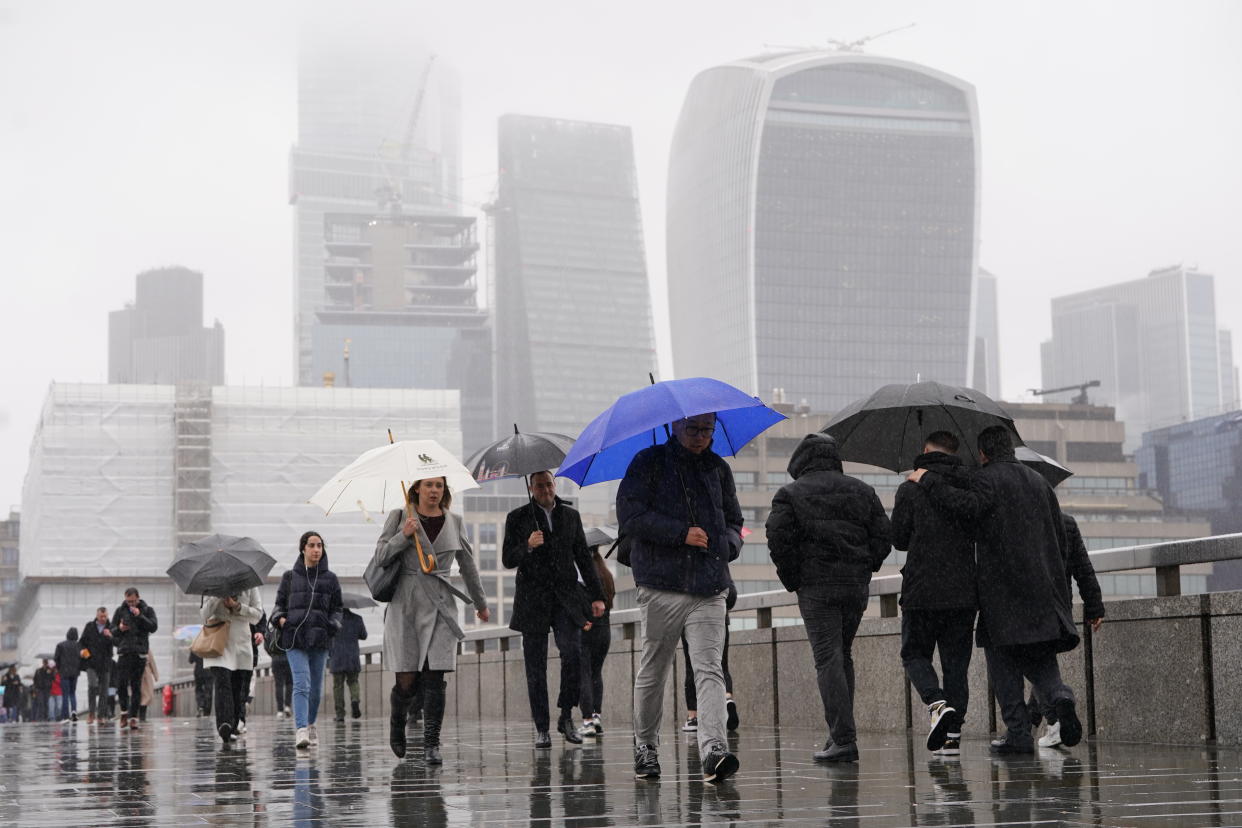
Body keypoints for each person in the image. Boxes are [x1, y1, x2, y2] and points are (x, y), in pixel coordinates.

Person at [908, 425, 1082, 755]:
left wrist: (927, 479)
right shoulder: (1039, 483)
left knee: (1003, 662)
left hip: (1003, 588)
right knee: (1041, 659)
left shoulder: (986, 479)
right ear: (1010, 450)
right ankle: (1061, 697)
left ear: (984, 454)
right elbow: (1059, 537)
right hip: (1044, 588)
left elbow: (966, 507)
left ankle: (1017, 733)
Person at [618, 412, 743, 784]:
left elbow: (735, 521)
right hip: (660, 584)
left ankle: (714, 749)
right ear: (674, 426)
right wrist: (680, 533)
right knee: (654, 669)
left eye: (707, 429)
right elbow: (631, 517)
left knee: (709, 669)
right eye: (693, 429)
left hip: (709, 584)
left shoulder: (719, 469)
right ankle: (646, 747)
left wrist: (729, 545)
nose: (701, 437)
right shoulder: (648, 463)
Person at [767, 433, 892, 763]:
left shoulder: (790, 494)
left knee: (828, 658)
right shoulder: (862, 490)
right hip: (854, 585)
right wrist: (865, 566)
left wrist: (795, 579)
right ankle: (840, 733)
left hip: (817, 586)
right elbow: (883, 536)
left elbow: (778, 539)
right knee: (842, 655)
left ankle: (843, 738)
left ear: (800, 461)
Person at [374, 476, 490, 763]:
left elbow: (468, 565)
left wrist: (480, 602)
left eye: (439, 485)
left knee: (435, 676)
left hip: (441, 604)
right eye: (429, 485)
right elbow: (380, 557)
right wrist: (403, 535)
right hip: (406, 605)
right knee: (407, 681)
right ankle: (397, 721)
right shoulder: (401, 516)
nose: (435, 491)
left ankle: (432, 743)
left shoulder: (455, 521)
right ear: (416, 489)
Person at [890, 431, 978, 756]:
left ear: (925, 450)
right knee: (956, 664)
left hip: (922, 589)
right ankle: (953, 737)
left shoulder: (910, 487)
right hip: (962, 591)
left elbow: (898, 539)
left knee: (914, 654)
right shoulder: (970, 484)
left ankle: (936, 703)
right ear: (955, 452)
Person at [503, 471, 606, 747]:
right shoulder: (517, 518)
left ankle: (565, 715)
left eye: (549, 484)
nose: (546, 489)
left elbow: (583, 557)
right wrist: (527, 545)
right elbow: (507, 559)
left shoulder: (570, 516)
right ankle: (542, 728)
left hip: (564, 598)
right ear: (531, 487)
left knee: (573, 654)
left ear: (554, 485)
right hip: (532, 600)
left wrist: (597, 596)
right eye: (539, 485)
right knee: (535, 668)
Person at [1029, 513, 1105, 748]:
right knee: (1043, 661)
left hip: (1025, 606)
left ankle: (1053, 718)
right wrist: (1094, 606)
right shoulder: (1066, 522)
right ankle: (1040, 720)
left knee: (1034, 663)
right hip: (1060, 608)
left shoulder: (1020, 519)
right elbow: (1083, 567)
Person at [273, 530, 343, 752]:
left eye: (320, 546)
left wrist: (333, 624)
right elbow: (278, 605)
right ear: (303, 548)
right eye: (312, 545)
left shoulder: (330, 579)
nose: (316, 550)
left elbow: (338, 609)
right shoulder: (289, 577)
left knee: (316, 689)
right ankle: (301, 729)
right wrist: (280, 619)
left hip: (320, 639)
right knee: (301, 684)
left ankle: (311, 724)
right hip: (295, 638)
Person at [201, 586, 264, 744]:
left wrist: (236, 606)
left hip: (241, 643)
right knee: (222, 683)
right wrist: (218, 597)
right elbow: (204, 614)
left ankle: (234, 723)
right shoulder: (212, 585)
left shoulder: (250, 586)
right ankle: (224, 724)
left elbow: (258, 615)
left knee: (238, 687)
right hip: (218, 642)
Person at [680, 581, 740, 734]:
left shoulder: (687, 564)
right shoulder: (717, 561)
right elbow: (731, 594)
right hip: (719, 620)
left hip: (691, 620)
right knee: (720, 665)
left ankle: (693, 716)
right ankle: (727, 697)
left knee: (692, 666)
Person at [578, 541, 615, 738]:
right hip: (604, 630)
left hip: (585, 628)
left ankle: (587, 720)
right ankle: (596, 715)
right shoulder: (607, 575)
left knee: (583, 673)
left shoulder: (584, 577)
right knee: (595, 673)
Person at [112, 586, 158, 730]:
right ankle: (124, 712)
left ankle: (134, 717)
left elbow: (153, 627)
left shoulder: (147, 610)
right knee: (121, 684)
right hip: (124, 652)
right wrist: (119, 628)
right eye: (128, 601)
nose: (130, 604)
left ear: (138, 598)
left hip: (139, 652)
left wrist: (140, 616)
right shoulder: (120, 611)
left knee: (136, 685)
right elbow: (112, 631)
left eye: (132, 601)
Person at [329, 607, 368, 722]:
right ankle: (355, 700)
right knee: (353, 682)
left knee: (338, 687)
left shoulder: (332, 620)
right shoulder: (357, 618)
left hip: (337, 657)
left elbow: (326, 635)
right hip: (352, 657)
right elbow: (364, 635)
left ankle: (340, 714)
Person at [80, 607, 115, 724]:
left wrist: (110, 636)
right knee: (92, 685)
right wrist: (84, 652)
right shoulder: (90, 626)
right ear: (97, 616)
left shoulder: (111, 627)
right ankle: (91, 713)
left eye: (105, 616)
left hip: (105, 662)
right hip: (91, 662)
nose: (104, 619)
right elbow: (81, 643)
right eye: (101, 616)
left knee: (104, 690)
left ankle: (101, 715)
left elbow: (118, 642)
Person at [53, 627, 82, 722]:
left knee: (65, 694)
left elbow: (56, 658)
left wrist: (59, 668)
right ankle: (74, 711)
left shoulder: (60, 645)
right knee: (72, 693)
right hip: (75, 673)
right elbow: (83, 657)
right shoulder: (79, 646)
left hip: (64, 673)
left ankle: (65, 716)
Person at [189, 652, 213, 717]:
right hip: (208, 670)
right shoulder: (210, 643)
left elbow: (190, 660)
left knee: (199, 689)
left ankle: (200, 705)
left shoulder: (196, 644)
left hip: (198, 671)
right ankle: (207, 710)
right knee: (208, 690)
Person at [271, 648, 293, 719]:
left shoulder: (271, 635)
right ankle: (287, 706)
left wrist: (273, 654)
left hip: (276, 658)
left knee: (279, 685)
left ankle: (280, 710)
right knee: (289, 683)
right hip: (288, 658)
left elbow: (266, 645)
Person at [138, 654, 159, 721]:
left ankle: (142, 715)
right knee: (140, 695)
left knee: (147, 696)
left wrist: (156, 675)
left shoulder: (147, 649)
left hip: (146, 674)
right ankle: (140, 715)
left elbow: (152, 662)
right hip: (136, 673)